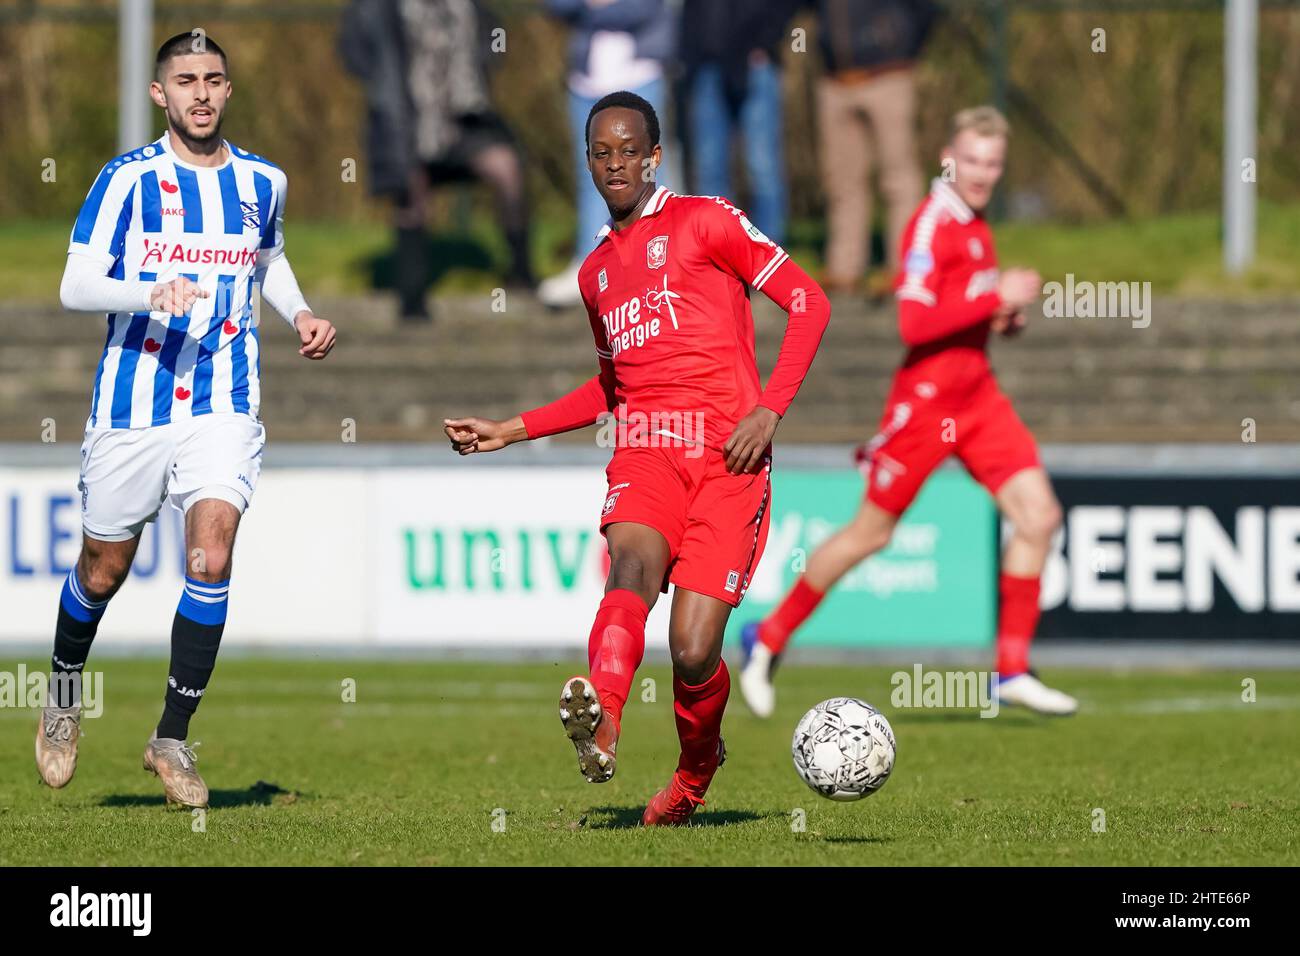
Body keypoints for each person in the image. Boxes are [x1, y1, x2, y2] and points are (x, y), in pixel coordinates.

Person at [444, 92, 830, 824]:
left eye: (629, 150)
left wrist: (769, 409)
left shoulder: (708, 220)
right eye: (601, 152)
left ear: (655, 157)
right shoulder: (594, 274)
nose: (615, 164)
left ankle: (693, 774)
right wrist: (513, 429)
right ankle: (606, 724)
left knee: (691, 651)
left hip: (730, 458)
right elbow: (615, 385)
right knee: (629, 569)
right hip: (647, 452)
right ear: (588, 161)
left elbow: (809, 302)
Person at [39, 33, 336, 808]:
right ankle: (64, 687)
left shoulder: (262, 180)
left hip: (225, 401)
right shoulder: (126, 179)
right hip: (132, 404)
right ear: (158, 94)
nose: (200, 93)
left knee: (210, 555)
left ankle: (171, 737)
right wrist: (149, 293)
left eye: (213, 80)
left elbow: (266, 258)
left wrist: (300, 311)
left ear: (228, 91)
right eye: (185, 81)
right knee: (103, 568)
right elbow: (74, 283)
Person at [739, 106, 1077, 718]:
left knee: (1039, 516)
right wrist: (993, 296)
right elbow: (914, 321)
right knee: (871, 533)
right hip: (925, 406)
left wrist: (1004, 317)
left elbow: (965, 310)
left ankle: (1011, 670)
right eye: (972, 159)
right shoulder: (930, 226)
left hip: (979, 399)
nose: (982, 172)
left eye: (993, 163)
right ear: (949, 155)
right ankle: (767, 638)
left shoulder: (977, 226)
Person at [339, 0, 535, 322]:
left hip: (465, 121)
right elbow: (352, 50)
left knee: (506, 166)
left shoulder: (466, 5)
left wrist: (481, 69)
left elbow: (495, 38)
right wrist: (382, 83)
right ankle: (412, 299)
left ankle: (522, 274)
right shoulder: (378, 8)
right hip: (408, 122)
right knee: (411, 194)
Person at [537, 0, 674, 309]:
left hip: (639, 75)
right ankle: (591, 264)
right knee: (593, 176)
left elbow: (646, 8)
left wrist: (594, 8)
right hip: (586, 82)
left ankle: (656, 265)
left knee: (646, 175)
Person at [815, 0, 937, 295]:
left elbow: (927, 10)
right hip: (835, 79)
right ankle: (845, 267)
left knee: (898, 178)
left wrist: (901, 49)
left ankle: (905, 267)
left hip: (889, 76)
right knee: (842, 180)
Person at [679, 0, 798, 245]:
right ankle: (717, 251)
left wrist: (767, 40)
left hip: (755, 62)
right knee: (710, 169)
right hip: (706, 64)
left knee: (762, 165)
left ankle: (769, 254)